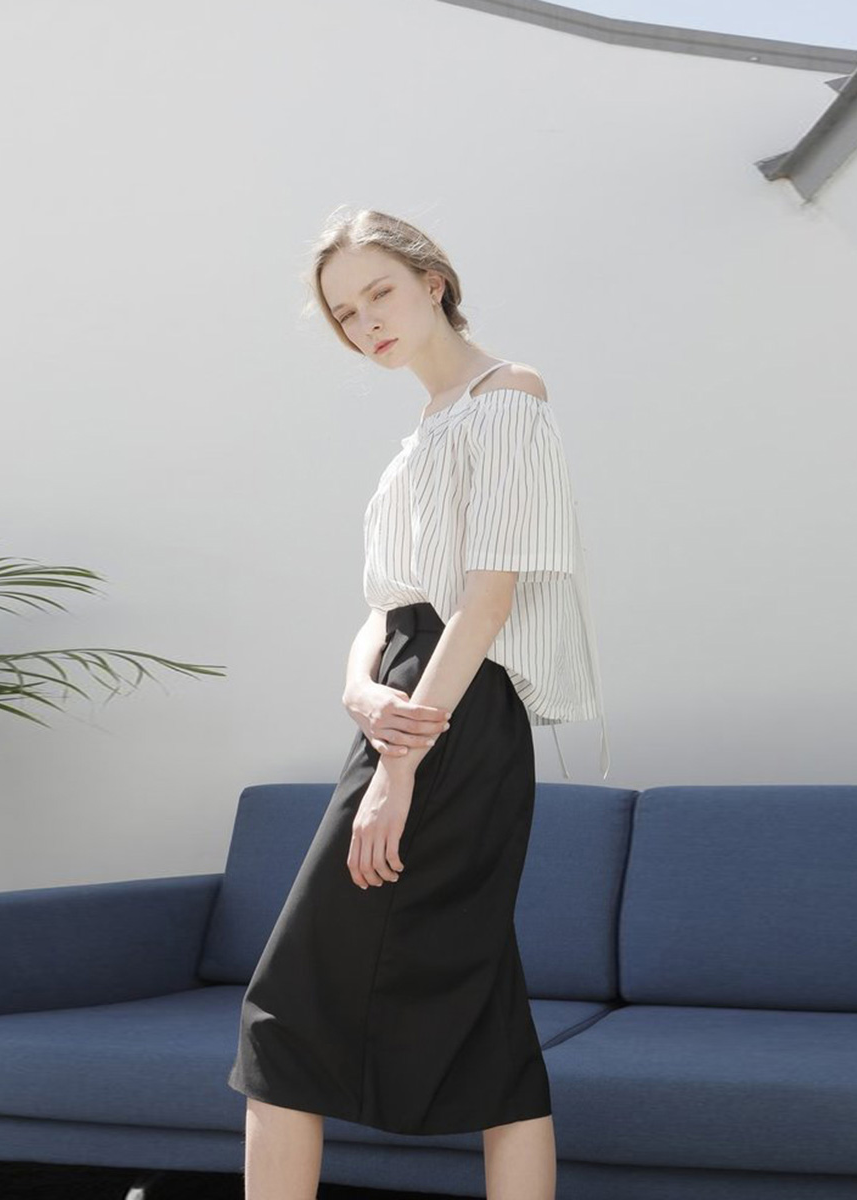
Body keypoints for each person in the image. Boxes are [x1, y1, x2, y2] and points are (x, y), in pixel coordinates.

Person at [227, 208, 610, 1199]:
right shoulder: (424, 432)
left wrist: (398, 771)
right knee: (484, 1009)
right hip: (401, 702)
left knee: (285, 1009)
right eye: (345, 314)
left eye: (379, 294)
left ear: (432, 280)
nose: (365, 324)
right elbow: (386, 606)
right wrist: (356, 688)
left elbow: (485, 604)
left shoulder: (508, 397)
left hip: (450, 718)